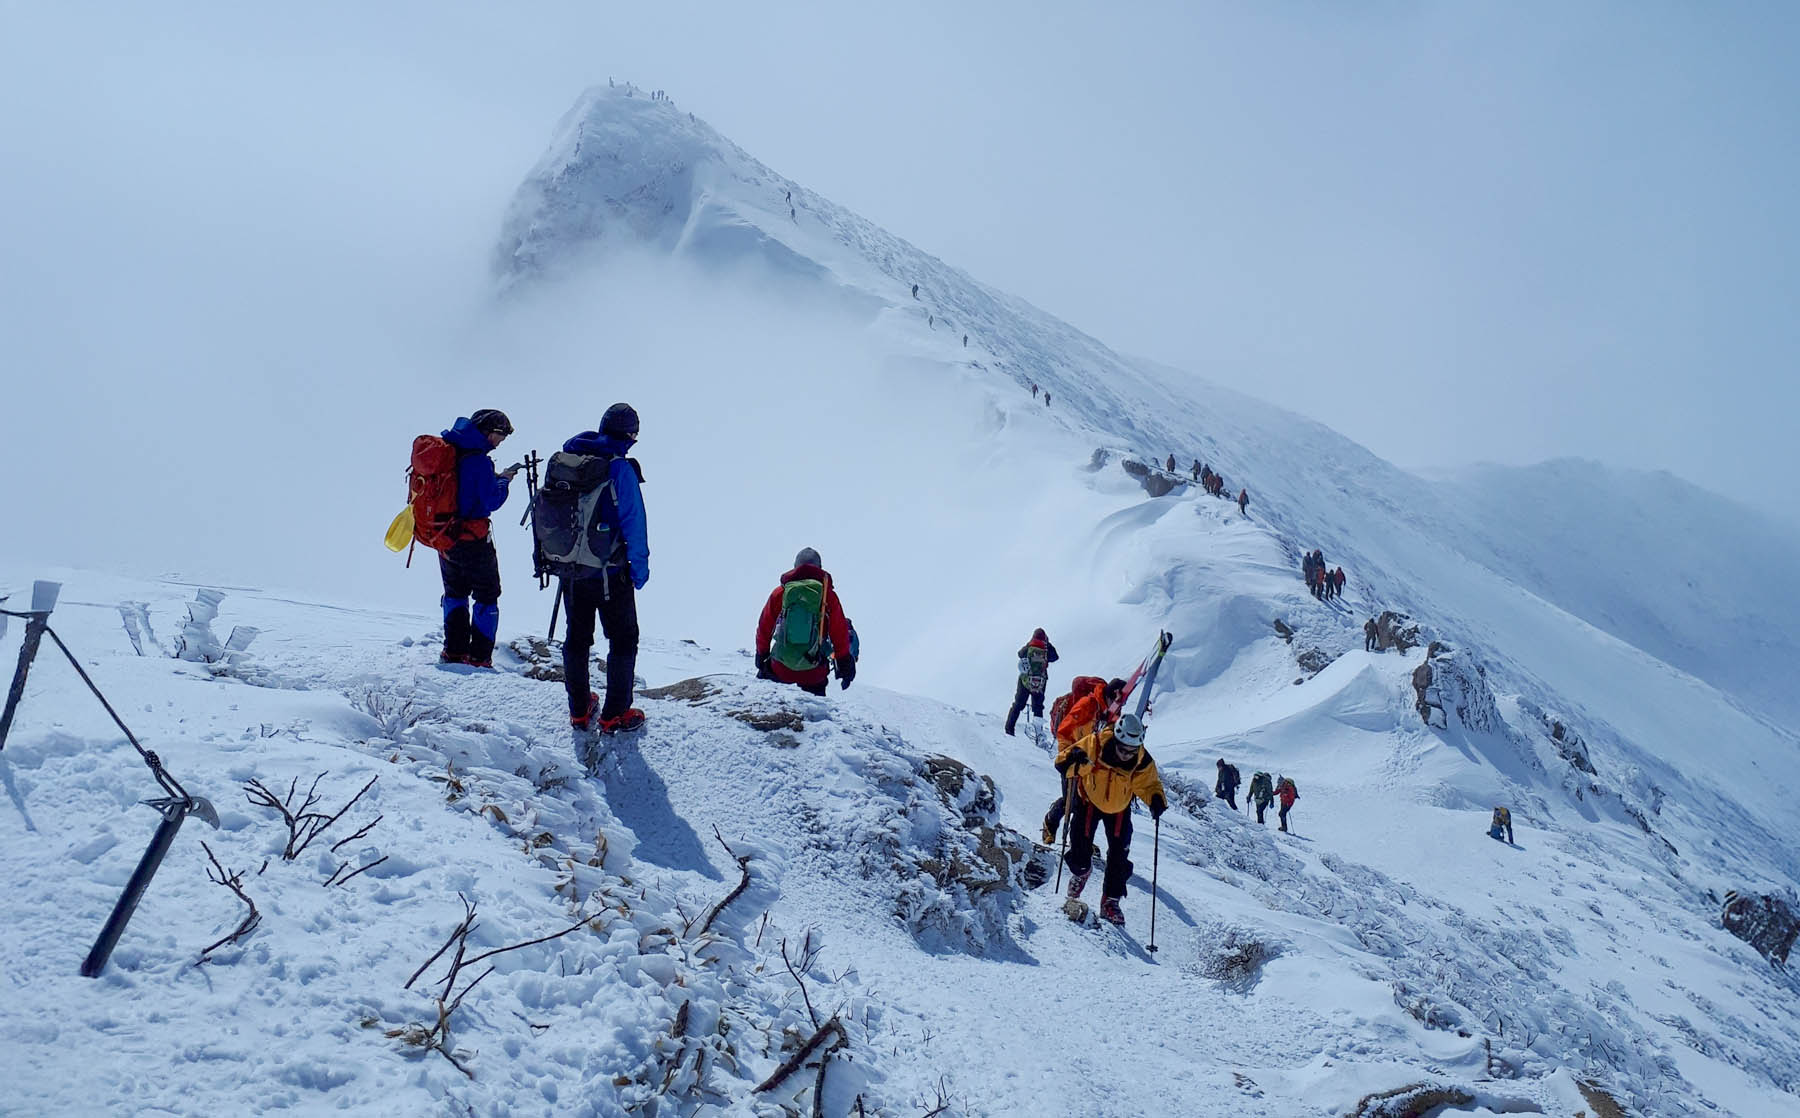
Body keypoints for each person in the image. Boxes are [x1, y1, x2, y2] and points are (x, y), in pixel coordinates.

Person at [558, 404, 650, 732]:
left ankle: (579, 710)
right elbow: (634, 523)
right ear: (626, 434)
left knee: (577, 638)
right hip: (610, 571)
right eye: (634, 435)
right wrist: (639, 570)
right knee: (624, 639)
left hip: (570, 569)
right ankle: (615, 714)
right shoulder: (618, 469)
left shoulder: (569, 459)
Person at [1057, 712, 1166, 925]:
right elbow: (1063, 762)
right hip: (1089, 800)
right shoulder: (1095, 744)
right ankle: (1081, 872)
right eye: (1123, 749)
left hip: (1119, 808)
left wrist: (1155, 799)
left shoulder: (1141, 759)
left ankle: (1111, 902)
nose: (1126, 755)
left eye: (1131, 751)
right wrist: (1073, 760)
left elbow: (1148, 783)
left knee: (1119, 856)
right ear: (1116, 739)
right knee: (1079, 844)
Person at [437, 409, 519, 668]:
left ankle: (454, 651)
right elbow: (491, 501)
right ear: (486, 431)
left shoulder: (453, 450)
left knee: (455, 592)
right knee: (486, 594)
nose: (499, 442)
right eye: (498, 436)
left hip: (444, 536)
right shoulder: (480, 460)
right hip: (473, 538)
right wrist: (504, 481)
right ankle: (479, 657)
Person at [756, 547, 856, 697]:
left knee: (766, 694)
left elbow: (764, 626)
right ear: (820, 568)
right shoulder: (828, 596)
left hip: (781, 668)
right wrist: (844, 662)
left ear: (795, 566)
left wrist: (761, 654)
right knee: (814, 714)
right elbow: (839, 632)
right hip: (814, 671)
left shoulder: (781, 593)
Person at [1041, 676, 1124, 843]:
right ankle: (1050, 821)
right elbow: (1064, 731)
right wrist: (1068, 756)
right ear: (1112, 695)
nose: (1119, 705)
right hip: (1073, 758)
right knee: (1071, 803)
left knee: (1085, 803)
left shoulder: (1110, 711)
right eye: (1119, 700)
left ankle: (1079, 843)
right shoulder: (1088, 705)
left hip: (1090, 762)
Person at [1005, 628, 1059, 736]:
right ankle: (1039, 735)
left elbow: (1020, 654)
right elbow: (1055, 657)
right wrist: (1048, 644)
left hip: (1025, 681)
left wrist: (1030, 643)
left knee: (1018, 704)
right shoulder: (1046, 648)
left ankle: (1009, 729)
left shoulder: (1030, 646)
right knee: (1038, 707)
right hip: (1040, 682)